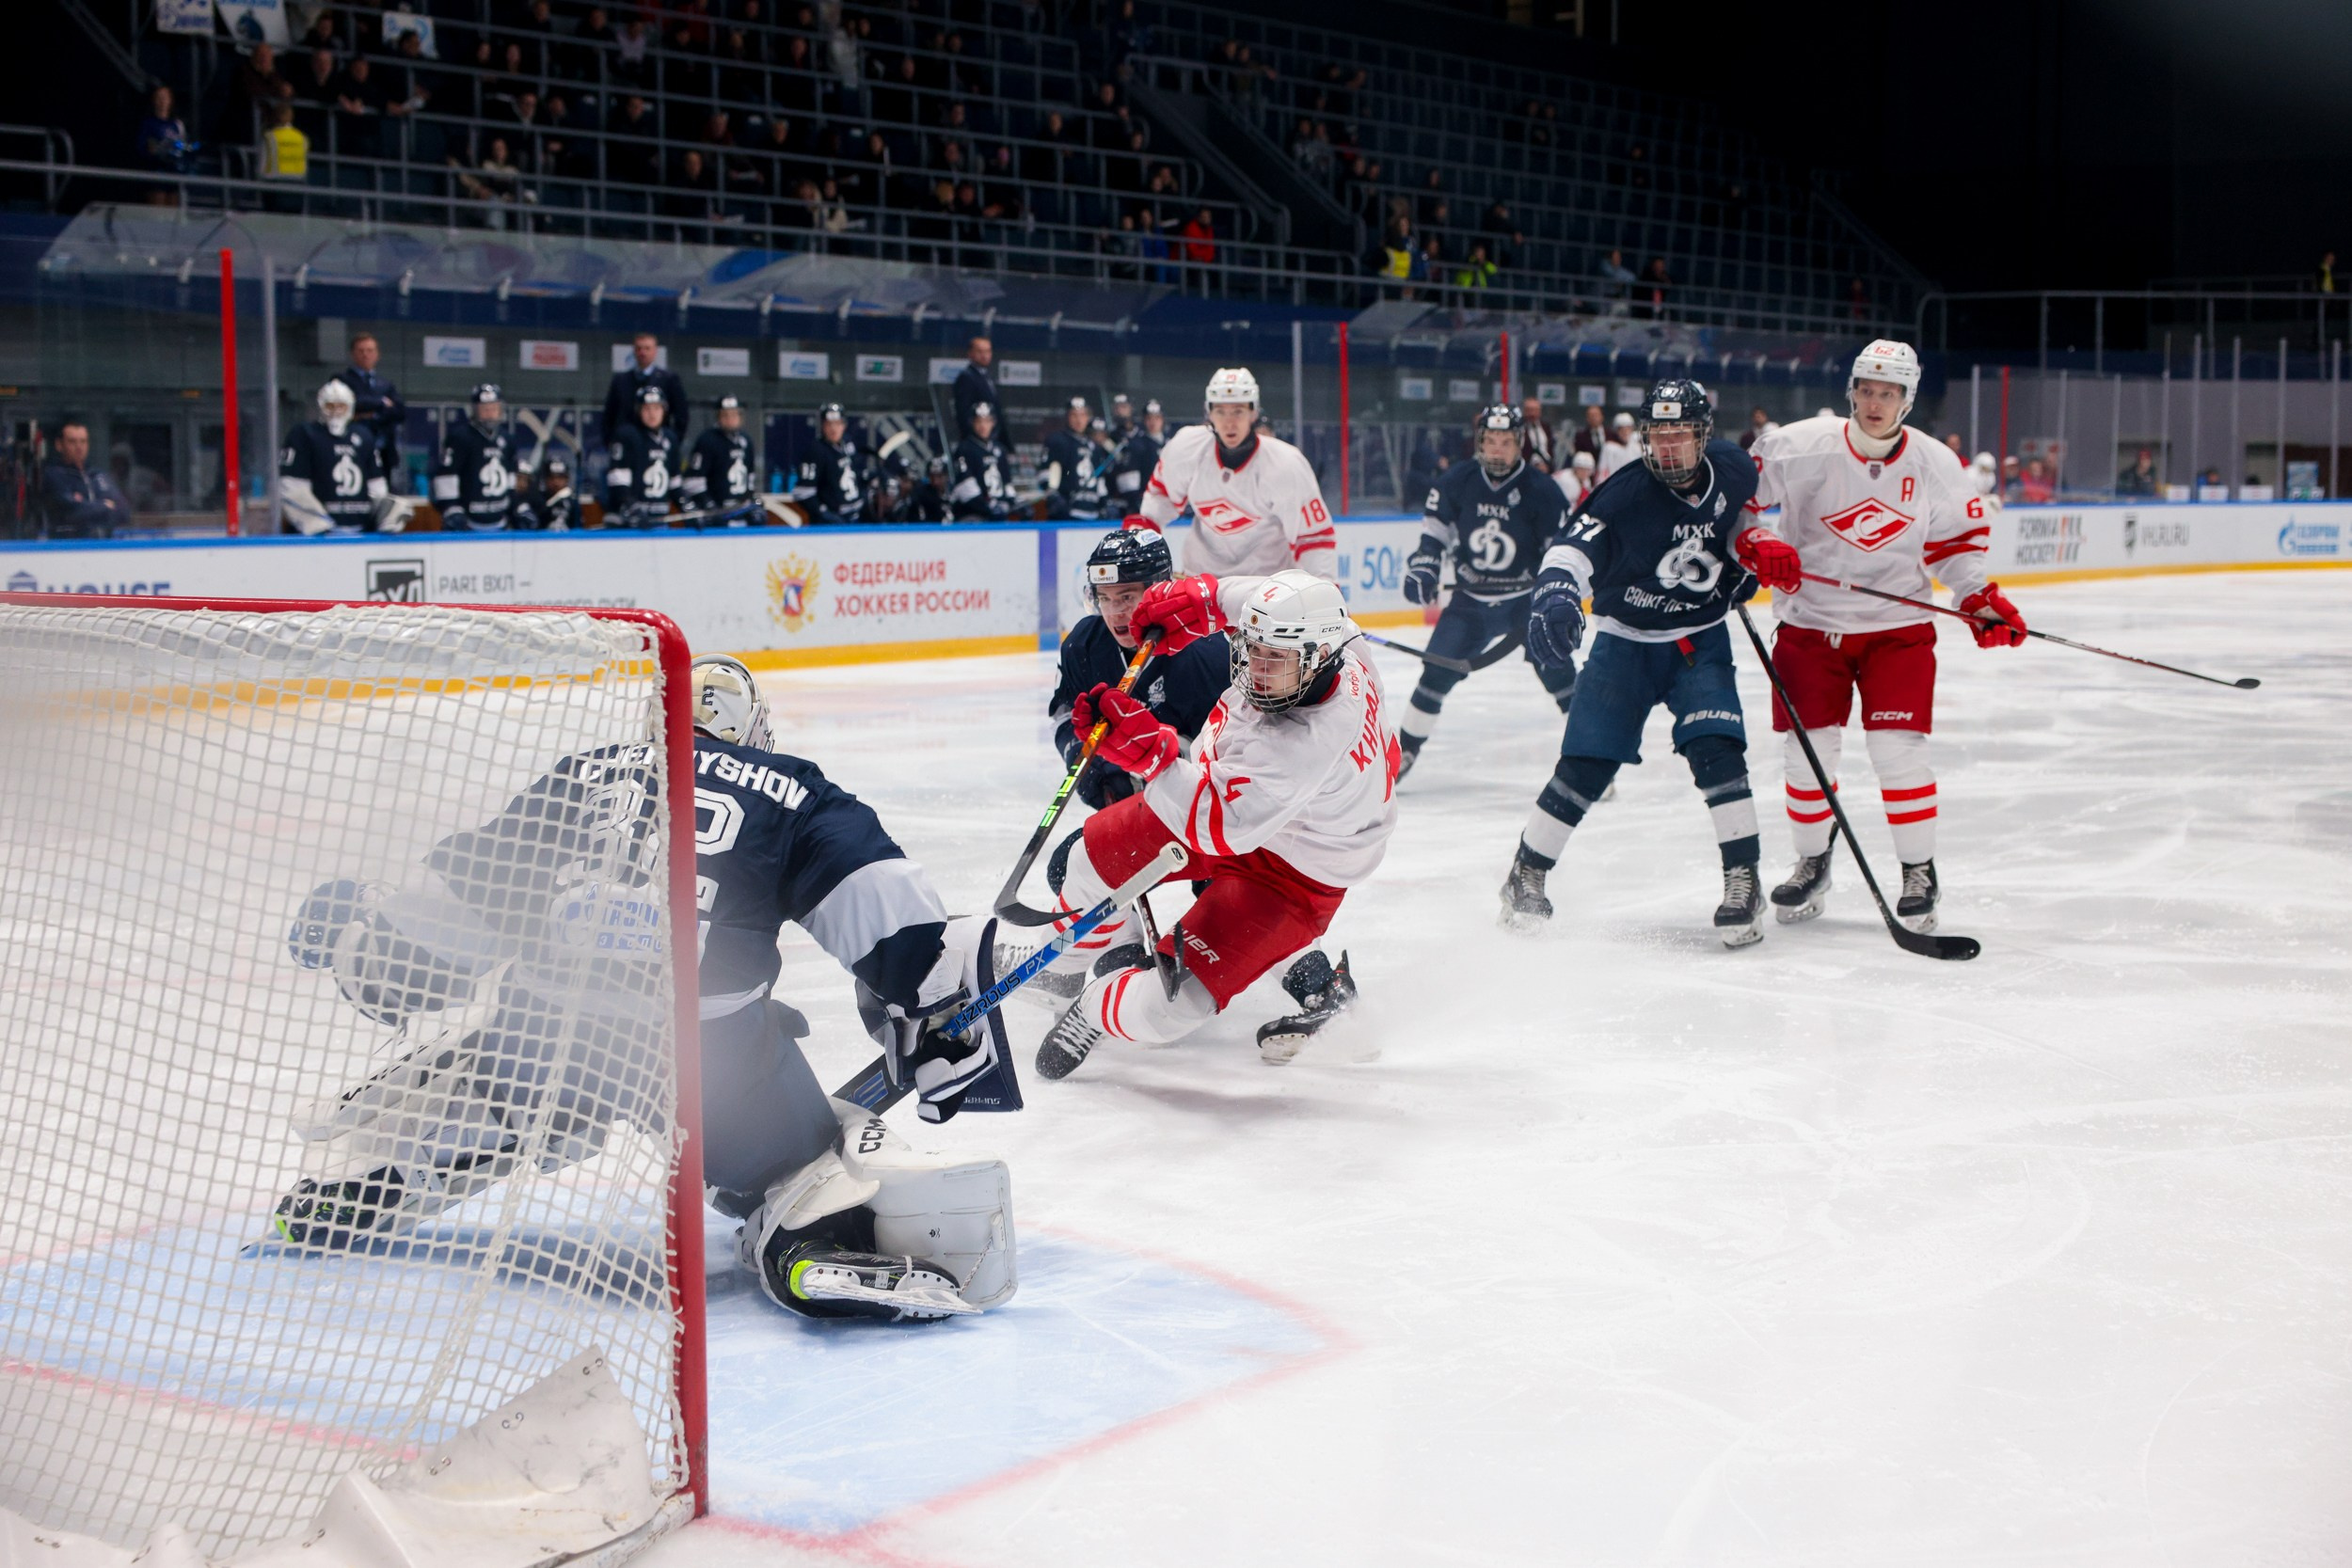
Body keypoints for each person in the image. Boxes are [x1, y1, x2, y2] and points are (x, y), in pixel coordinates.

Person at [274, 656, 1018, 1322]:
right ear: (751, 728)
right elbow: (892, 916)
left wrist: (364, 951)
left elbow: (464, 908)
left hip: (545, 1033)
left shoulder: (583, 772)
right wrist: (936, 1025)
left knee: (509, 1084)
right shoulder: (794, 791)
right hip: (709, 1056)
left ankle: (382, 1177)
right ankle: (803, 1247)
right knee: (801, 1168)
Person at [1027, 567, 1396, 1075]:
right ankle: (1062, 970)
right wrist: (1204, 596)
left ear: (1318, 660)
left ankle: (1091, 1007)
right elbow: (1251, 598)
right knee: (1087, 858)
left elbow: (1219, 827)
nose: (1257, 669)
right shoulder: (1338, 642)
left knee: (1170, 1010)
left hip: (1294, 870)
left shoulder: (1306, 741)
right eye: (1253, 649)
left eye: (1276, 659)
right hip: (1233, 800)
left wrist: (1150, 756)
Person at [1745, 340, 2025, 935]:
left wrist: (1975, 596)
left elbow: (1954, 544)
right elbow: (1737, 506)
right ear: (1852, 392)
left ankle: (1919, 870)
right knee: (1807, 756)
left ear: (1907, 398)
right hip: (1810, 627)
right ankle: (1813, 862)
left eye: (1888, 393)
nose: (1875, 403)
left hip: (1897, 634)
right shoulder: (1797, 446)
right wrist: (1756, 542)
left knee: (1899, 753)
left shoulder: (1935, 464)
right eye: (1867, 391)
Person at [1500, 377, 1780, 946]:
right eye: (1658, 435)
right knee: (1585, 765)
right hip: (1625, 644)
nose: (1669, 448)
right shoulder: (1622, 494)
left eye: (1681, 434)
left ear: (1703, 436)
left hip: (1699, 640)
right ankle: (1525, 874)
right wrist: (1556, 593)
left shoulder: (1732, 467)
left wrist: (1750, 550)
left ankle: (1742, 877)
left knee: (1719, 751)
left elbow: (1743, 518)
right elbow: (1570, 551)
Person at [1395, 405, 1575, 781]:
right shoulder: (1457, 480)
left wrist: (1554, 594)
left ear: (1519, 444)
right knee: (1434, 674)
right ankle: (1403, 754)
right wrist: (1425, 563)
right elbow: (1435, 531)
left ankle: (1586, 759)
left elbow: (1559, 552)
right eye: (1490, 441)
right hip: (1470, 602)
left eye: (1505, 442)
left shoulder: (1542, 490)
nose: (1497, 449)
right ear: (1479, 442)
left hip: (1525, 603)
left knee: (1558, 672)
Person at [1125, 368, 1337, 580]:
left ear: (1253, 413)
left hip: (1266, 592)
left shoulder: (1285, 464)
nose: (1229, 422)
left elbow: (1313, 537)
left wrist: (1326, 592)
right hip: (1201, 587)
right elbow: (1159, 501)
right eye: (1221, 411)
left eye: (1238, 411)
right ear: (1209, 413)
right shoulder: (1186, 448)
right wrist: (1139, 542)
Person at [279, 379, 408, 535]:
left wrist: (382, 517)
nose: (335, 412)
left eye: (341, 406)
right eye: (330, 406)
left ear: (350, 407)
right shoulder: (303, 435)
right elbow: (292, 486)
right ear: (321, 406)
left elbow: (377, 487)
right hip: (319, 535)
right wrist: (316, 523)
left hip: (360, 529)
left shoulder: (364, 436)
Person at [431, 384, 518, 531]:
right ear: (475, 410)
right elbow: (446, 476)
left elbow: (511, 477)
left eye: (494, 408)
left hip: (500, 523)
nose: (490, 413)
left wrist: (516, 507)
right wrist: (451, 508)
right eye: (485, 409)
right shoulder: (460, 438)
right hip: (468, 523)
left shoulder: (507, 439)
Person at [39, 421, 131, 538]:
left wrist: (89, 507)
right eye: (72, 441)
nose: (79, 447)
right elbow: (71, 513)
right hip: (68, 549)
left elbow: (123, 511)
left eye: (83, 441)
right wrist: (105, 506)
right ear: (59, 445)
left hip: (103, 548)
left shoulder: (98, 476)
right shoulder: (54, 476)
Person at [605, 385, 681, 526]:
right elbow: (618, 480)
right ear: (638, 410)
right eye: (647, 409)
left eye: (657, 408)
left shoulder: (670, 438)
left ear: (664, 410)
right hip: (629, 523)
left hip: (660, 518)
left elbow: (675, 483)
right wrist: (632, 508)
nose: (652, 414)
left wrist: (688, 508)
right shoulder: (626, 436)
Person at [682, 394, 760, 524]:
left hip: (741, 514)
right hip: (717, 518)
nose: (730, 419)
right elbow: (692, 482)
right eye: (725, 415)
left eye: (734, 414)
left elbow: (750, 479)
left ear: (740, 416)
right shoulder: (707, 440)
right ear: (718, 417)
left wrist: (753, 502)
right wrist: (709, 506)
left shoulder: (746, 441)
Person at [790, 403, 872, 526]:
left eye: (838, 423)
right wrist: (823, 513)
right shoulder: (816, 450)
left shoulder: (848, 444)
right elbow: (802, 492)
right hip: (833, 523)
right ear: (823, 425)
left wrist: (866, 479)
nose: (833, 429)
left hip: (857, 517)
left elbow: (853, 475)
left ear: (844, 425)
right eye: (829, 424)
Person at [602, 332, 688, 444]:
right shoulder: (620, 380)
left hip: (658, 444)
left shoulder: (669, 380)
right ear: (634, 351)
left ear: (655, 351)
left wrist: (673, 442)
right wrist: (611, 442)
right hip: (627, 444)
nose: (643, 353)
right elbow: (609, 415)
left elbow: (681, 414)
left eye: (647, 348)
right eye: (639, 349)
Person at [341, 331, 405, 472]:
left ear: (377, 354)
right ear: (353, 354)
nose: (365, 354)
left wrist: (372, 415)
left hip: (383, 449)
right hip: (353, 447)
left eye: (370, 350)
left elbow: (400, 412)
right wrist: (381, 402)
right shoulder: (343, 380)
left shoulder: (386, 384)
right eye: (361, 351)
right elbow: (352, 404)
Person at [1041, 397, 1109, 520]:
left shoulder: (1094, 447)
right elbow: (1046, 474)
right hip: (1067, 514)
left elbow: (1099, 480)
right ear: (1067, 417)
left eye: (1083, 415)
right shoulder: (1057, 441)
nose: (1079, 420)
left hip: (1091, 513)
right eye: (1074, 415)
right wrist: (1053, 496)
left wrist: (1104, 504)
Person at [949, 401, 1014, 520]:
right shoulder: (964, 449)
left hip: (998, 513)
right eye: (979, 421)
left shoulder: (1000, 449)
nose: (983, 426)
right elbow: (965, 487)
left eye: (987, 421)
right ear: (972, 423)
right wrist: (987, 506)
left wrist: (1010, 502)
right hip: (972, 515)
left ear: (993, 423)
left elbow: (1007, 482)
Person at [1108, 397, 1165, 507]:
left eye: (1157, 418)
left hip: (1168, 498)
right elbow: (1128, 477)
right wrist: (1135, 499)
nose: (1153, 422)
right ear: (1144, 420)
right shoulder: (1136, 444)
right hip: (1146, 499)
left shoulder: (1171, 443)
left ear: (1162, 419)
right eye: (1149, 418)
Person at [952, 336, 998, 440]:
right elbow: (964, 413)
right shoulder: (966, 378)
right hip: (975, 439)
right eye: (980, 352)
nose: (985, 355)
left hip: (992, 438)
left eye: (988, 351)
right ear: (970, 353)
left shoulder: (987, 376)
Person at [519, 451, 577, 530]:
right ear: (545, 479)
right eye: (552, 477)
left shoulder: (573, 502)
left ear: (567, 479)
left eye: (560, 477)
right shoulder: (537, 500)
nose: (556, 482)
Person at [1518, 395, 1554, 474]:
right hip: (1526, 468)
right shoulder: (1519, 428)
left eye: (1535, 410)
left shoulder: (1546, 427)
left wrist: (1548, 465)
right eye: (1529, 410)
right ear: (1524, 411)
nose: (1532, 414)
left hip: (1546, 468)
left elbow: (1550, 449)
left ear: (1539, 412)